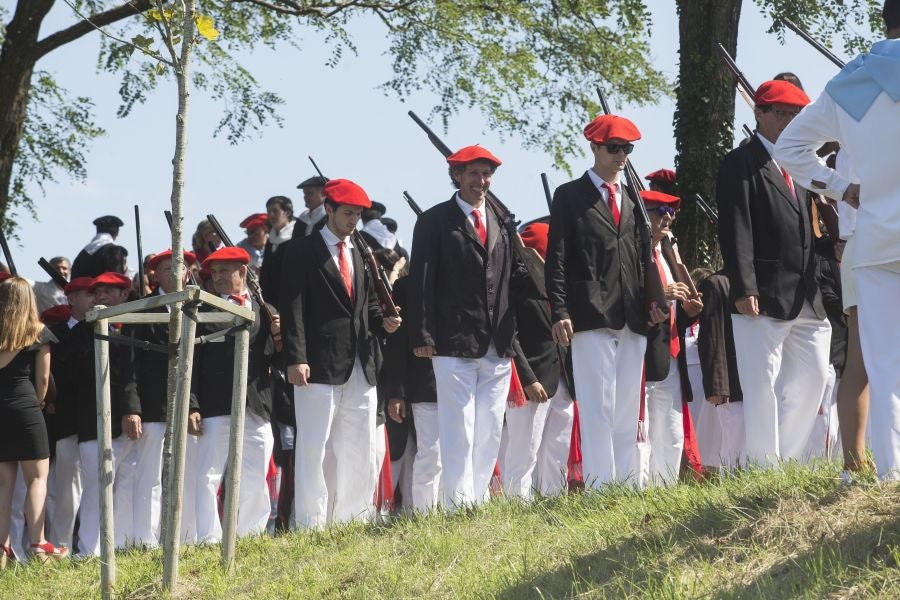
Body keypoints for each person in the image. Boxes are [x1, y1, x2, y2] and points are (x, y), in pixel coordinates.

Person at [774, 0, 900, 480]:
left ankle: (891, 474)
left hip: (874, 240)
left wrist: (839, 188)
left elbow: (788, 147)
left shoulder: (849, 82)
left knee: (884, 364)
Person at [545, 114, 665, 488]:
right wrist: (560, 310)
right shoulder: (569, 195)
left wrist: (653, 301)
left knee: (628, 409)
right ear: (594, 147)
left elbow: (643, 257)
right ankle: (600, 487)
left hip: (632, 314)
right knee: (597, 407)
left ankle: (627, 484)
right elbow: (558, 258)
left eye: (627, 149)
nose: (621, 155)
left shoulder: (633, 199)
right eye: (613, 148)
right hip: (589, 313)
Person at [717, 79, 831, 468]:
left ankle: (789, 458)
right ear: (758, 113)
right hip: (761, 292)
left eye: (794, 114)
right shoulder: (740, 162)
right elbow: (736, 228)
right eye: (779, 113)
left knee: (815, 374)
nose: (787, 120)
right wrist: (744, 285)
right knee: (761, 385)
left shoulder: (800, 162)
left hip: (806, 293)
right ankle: (765, 467)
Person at [407, 145, 528, 508]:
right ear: (456, 176)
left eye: (487, 174)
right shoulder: (433, 221)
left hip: (497, 341)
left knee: (490, 426)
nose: (482, 181)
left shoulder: (502, 221)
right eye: (474, 173)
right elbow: (421, 281)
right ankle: (456, 502)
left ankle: (475, 500)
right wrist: (423, 333)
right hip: (452, 339)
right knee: (458, 426)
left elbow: (514, 277)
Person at [280, 178, 400, 528]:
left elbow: (363, 309)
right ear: (328, 209)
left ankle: (355, 518)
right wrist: (295, 356)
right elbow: (293, 308)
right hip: (316, 364)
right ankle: (310, 522)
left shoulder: (361, 252)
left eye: (358, 215)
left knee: (360, 445)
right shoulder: (301, 251)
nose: (353, 221)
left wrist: (385, 323)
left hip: (361, 365)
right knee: (314, 447)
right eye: (347, 213)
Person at [186, 246, 279, 541]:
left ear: (243, 272)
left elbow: (276, 359)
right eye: (214, 273)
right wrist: (192, 404)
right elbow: (192, 361)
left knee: (256, 470)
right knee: (208, 474)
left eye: (225, 271)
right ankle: (210, 538)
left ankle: (249, 533)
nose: (218, 277)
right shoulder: (203, 310)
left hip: (256, 403)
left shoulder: (266, 310)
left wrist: (279, 336)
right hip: (216, 404)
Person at [121, 250, 196, 548]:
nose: (173, 272)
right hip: (151, 406)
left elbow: (196, 364)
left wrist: (194, 405)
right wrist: (132, 407)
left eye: (179, 267)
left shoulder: (196, 309)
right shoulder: (142, 310)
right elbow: (129, 362)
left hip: (185, 406)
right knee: (149, 475)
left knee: (186, 474)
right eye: (166, 268)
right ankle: (145, 539)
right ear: (156, 275)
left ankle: (185, 537)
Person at [499, 222, 576, 499]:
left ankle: (555, 498)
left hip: (564, 378)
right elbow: (511, 338)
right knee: (524, 451)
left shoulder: (560, 291)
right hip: (532, 381)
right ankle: (516, 504)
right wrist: (527, 379)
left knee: (558, 447)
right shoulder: (515, 289)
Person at [70, 272, 140, 556]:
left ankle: (121, 545)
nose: (100, 297)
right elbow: (78, 378)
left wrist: (132, 409)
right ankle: (88, 550)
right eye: (96, 292)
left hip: (128, 423)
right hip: (93, 423)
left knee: (126, 485)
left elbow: (134, 376)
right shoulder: (80, 334)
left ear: (124, 295)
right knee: (96, 489)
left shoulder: (133, 328)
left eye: (108, 292)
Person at [0, 277, 68, 565]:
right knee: (37, 479)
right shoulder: (39, 333)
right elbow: (43, 380)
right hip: (27, 409)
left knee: (3, 485)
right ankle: (38, 543)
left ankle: (2, 549)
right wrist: (38, 402)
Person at [640, 191, 703, 486]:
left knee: (672, 432)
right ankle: (640, 491)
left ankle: (665, 489)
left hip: (672, 354)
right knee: (644, 432)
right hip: (644, 354)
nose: (667, 217)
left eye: (670, 212)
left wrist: (688, 307)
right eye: (658, 210)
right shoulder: (635, 255)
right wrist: (660, 295)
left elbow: (676, 307)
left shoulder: (665, 255)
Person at [43, 276, 94, 551]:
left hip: (97, 417)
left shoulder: (102, 328)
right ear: (72, 299)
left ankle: (90, 542)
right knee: (66, 486)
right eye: (89, 294)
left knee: (95, 485)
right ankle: (61, 542)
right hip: (68, 417)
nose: (95, 299)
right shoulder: (58, 333)